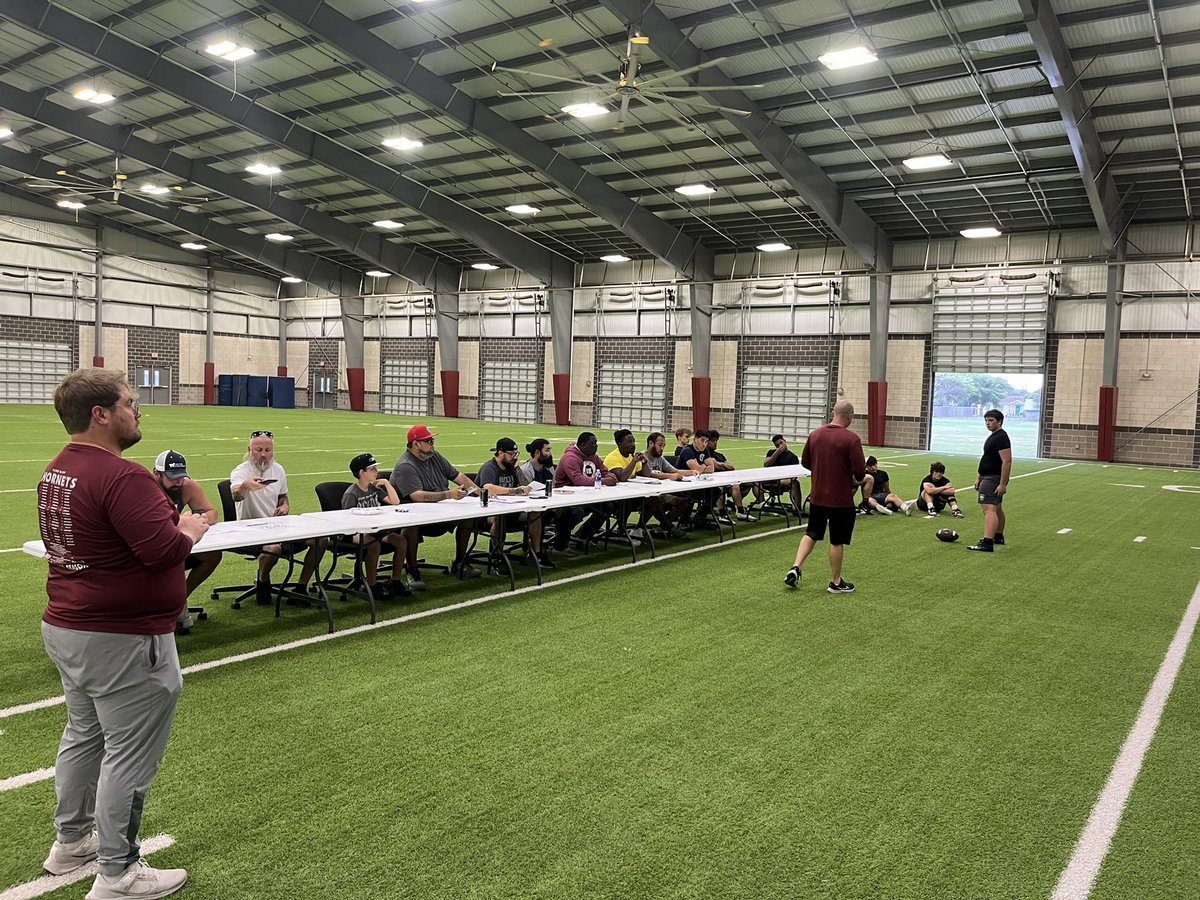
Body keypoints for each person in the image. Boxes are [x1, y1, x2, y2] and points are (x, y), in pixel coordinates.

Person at [37, 368, 208, 899]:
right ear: (101, 414)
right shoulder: (123, 476)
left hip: (70, 624)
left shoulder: (57, 470)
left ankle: (71, 842)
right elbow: (163, 549)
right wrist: (190, 527)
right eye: (131, 403)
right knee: (129, 755)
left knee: (84, 736)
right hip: (122, 637)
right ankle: (118, 872)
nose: (139, 412)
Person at [230, 430, 326, 606]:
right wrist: (246, 486)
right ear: (249, 450)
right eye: (259, 450)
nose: (264, 455)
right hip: (250, 529)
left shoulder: (278, 469)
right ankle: (263, 580)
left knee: (320, 540)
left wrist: (284, 506)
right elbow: (236, 495)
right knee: (272, 548)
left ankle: (300, 588)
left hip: (277, 525)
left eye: (268, 450)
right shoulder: (241, 471)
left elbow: (283, 496)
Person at [784, 400, 865, 593]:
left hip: (818, 496)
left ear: (832, 412)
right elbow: (860, 472)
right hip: (840, 499)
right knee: (836, 540)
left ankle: (796, 566)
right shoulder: (851, 439)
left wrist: (822, 471)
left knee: (811, 532)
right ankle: (836, 582)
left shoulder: (815, 434)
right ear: (850, 416)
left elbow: (805, 461)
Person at [389, 424, 483, 588]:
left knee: (468, 517)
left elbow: (458, 476)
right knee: (410, 527)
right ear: (416, 444)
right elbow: (416, 496)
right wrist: (448, 494)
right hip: (416, 515)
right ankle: (412, 570)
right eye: (429, 440)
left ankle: (460, 562)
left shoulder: (435, 456)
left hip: (441, 509)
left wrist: (480, 492)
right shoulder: (405, 465)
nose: (432, 443)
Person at [151, 450, 220, 632]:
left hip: (177, 543)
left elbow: (212, 513)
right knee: (174, 559)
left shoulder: (187, 486)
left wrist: (197, 519)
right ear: (156, 474)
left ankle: (178, 601)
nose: (178, 482)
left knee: (212, 555)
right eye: (173, 477)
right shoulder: (147, 490)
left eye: (181, 476)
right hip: (154, 549)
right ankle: (169, 606)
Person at [341, 453, 410, 600]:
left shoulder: (374, 489)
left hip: (375, 530)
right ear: (362, 473)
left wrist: (386, 482)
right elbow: (346, 521)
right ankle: (371, 585)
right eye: (372, 469)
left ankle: (396, 581)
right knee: (374, 545)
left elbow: (395, 501)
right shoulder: (351, 494)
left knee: (400, 541)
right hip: (355, 532)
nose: (376, 471)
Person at [477, 437, 552, 569]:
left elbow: (525, 485)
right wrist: (513, 491)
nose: (514, 457)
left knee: (535, 512)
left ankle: (536, 553)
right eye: (511, 454)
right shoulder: (489, 467)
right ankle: (498, 558)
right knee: (499, 517)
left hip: (511, 509)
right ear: (500, 453)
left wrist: (517, 468)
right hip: (486, 513)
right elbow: (487, 487)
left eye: (516, 454)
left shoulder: (511, 467)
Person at [554, 432, 617, 547]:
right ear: (583, 445)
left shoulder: (593, 457)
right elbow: (578, 480)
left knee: (607, 506)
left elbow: (604, 471)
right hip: (566, 498)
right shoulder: (570, 458)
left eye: (596, 443)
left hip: (587, 495)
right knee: (576, 511)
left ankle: (584, 534)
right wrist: (603, 481)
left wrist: (610, 476)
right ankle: (560, 544)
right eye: (593, 444)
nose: (596, 446)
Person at [968, 409, 1012, 552]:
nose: (988, 423)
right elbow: (988, 458)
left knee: (988, 509)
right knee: (997, 508)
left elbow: (1007, 461)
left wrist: (1002, 484)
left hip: (993, 479)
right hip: (988, 477)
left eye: (991, 420)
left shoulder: (1000, 437)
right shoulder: (994, 436)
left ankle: (987, 542)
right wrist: (979, 477)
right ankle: (998, 536)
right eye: (986, 420)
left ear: (999, 422)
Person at [641, 432, 689, 538]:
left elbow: (675, 470)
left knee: (683, 502)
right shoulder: (641, 458)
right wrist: (670, 476)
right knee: (656, 502)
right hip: (645, 495)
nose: (662, 448)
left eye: (663, 446)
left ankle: (662, 527)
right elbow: (649, 474)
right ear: (650, 443)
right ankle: (670, 527)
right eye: (660, 445)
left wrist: (694, 471)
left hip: (660, 493)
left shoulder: (659, 458)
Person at [707, 430, 750, 522]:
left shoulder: (719, 455)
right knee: (720, 487)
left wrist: (720, 464)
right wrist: (722, 465)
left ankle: (740, 510)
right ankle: (722, 513)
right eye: (713, 440)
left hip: (725, 479)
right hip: (712, 481)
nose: (715, 442)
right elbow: (713, 466)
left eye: (716, 440)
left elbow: (731, 467)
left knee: (739, 485)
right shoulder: (705, 454)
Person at [754, 434, 804, 513]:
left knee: (795, 483)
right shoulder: (771, 452)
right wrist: (776, 454)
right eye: (777, 445)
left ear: (785, 441)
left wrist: (786, 480)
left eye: (781, 443)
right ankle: (762, 504)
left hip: (783, 480)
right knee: (755, 481)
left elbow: (794, 474)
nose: (780, 446)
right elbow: (766, 465)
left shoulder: (792, 457)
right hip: (769, 478)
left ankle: (798, 508)